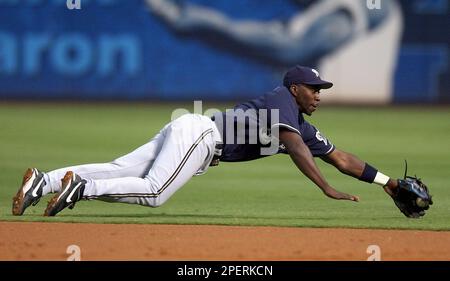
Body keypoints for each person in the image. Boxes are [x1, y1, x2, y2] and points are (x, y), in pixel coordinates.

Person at [13, 65, 413, 217]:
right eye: (313, 89)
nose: (318, 95)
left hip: (194, 131)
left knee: (122, 170)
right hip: (204, 135)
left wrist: (388, 183)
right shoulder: (281, 102)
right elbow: (293, 147)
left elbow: (341, 157)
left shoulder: (302, 124)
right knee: (154, 193)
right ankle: (81, 189)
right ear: (294, 89)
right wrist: (326, 188)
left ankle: (43, 182)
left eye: (320, 89)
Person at [145, 0, 403, 103]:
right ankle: (188, 22)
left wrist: (198, 21)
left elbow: (297, 47)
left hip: (359, 109)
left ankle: (188, 20)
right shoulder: (322, 8)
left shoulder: (376, 4)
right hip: (315, 105)